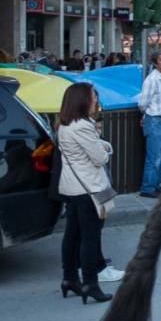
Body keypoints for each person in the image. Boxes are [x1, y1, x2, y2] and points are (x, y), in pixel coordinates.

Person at [57, 83, 116, 304]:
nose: (95, 101)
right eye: (93, 97)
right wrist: (106, 150)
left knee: (72, 235)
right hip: (88, 188)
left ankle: (69, 278)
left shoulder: (65, 124)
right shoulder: (83, 126)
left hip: (71, 187)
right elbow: (99, 159)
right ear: (83, 100)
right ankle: (90, 283)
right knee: (90, 238)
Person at [137, 52, 161, 198]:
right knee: (154, 156)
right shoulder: (152, 79)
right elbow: (142, 103)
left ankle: (155, 185)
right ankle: (148, 187)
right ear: (156, 63)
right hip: (155, 119)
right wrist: (147, 114)